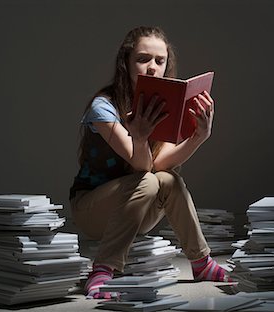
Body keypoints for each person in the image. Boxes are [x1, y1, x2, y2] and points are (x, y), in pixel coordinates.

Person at [69, 26, 230, 299]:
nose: (153, 67)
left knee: (168, 178)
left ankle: (201, 263)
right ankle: (102, 270)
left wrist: (198, 137)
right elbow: (143, 169)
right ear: (127, 63)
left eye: (160, 60)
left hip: (137, 209)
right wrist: (140, 138)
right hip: (93, 210)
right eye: (143, 59)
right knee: (148, 179)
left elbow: (161, 165)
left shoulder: (166, 104)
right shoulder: (103, 106)